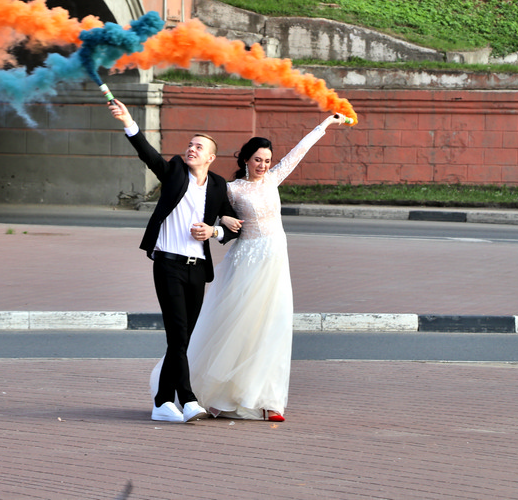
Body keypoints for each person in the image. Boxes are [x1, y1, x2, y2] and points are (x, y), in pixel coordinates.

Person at [183, 113, 347, 422]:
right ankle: (217, 395)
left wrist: (325, 124)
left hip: (275, 261)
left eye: (267, 160)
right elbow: (206, 208)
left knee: (273, 327)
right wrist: (221, 219)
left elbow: (299, 151)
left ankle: (270, 401)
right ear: (246, 159)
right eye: (258, 160)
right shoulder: (232, 189)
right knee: (238, 325)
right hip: (246, 262)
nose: (263, 165)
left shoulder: (274, 178)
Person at [108, 97, 239, 423]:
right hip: (168, 265)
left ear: (211, 157)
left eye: (198, 147)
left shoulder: (218, 185)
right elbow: (148, 155)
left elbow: (231, 226)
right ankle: (188, 399)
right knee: (178, 335)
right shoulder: (175, 172)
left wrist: (213, 231)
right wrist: (128, 122)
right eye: (190, 145)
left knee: (183, 339)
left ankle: (162, 402)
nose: (191, 149)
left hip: (198, 270)